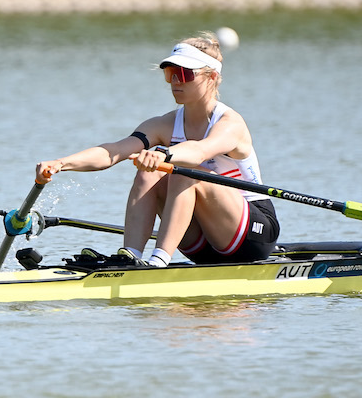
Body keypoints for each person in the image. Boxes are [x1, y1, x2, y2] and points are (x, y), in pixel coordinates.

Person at [35, 32, 279, 267]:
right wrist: (61, 163)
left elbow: (199, 151)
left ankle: (159, 261)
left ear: (212, 77)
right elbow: (114, 151)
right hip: (201, 242)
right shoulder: (163, 124)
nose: (175, 81)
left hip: (253, 236)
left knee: (184, 170)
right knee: (149, 173)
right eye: (170, 73)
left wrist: (164, 154)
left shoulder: (229, 124)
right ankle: (131, 256)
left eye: (184, 74)